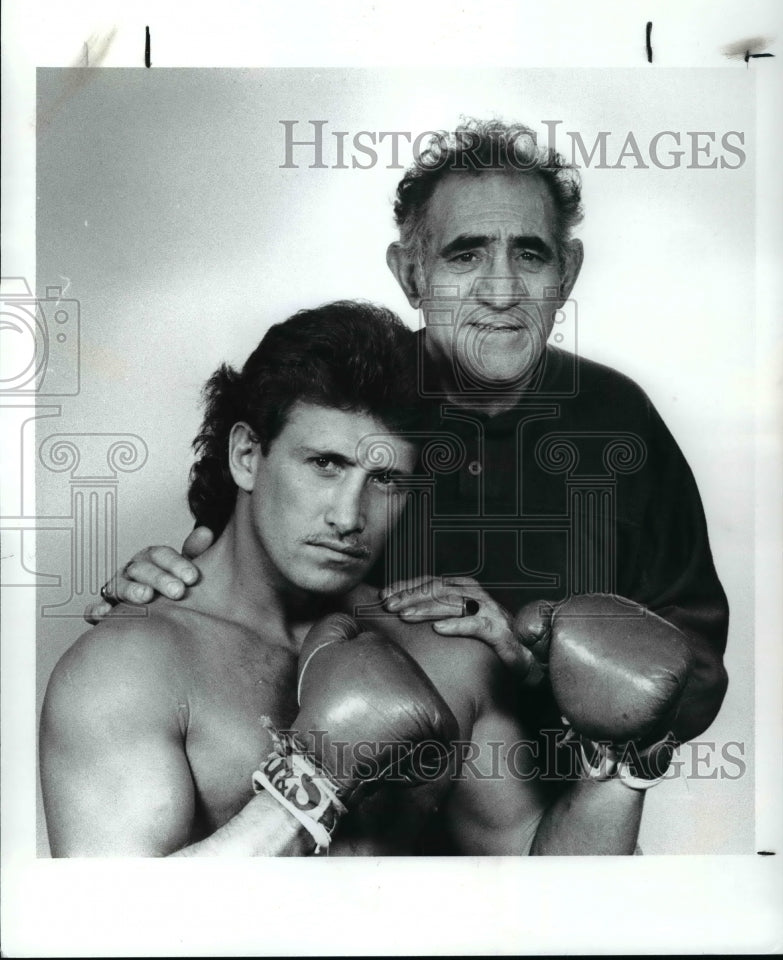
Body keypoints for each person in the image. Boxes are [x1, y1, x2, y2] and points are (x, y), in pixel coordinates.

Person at [87, 119, 729, 746]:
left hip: (549, 819)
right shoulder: (350, 397)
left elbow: (691, 666)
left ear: (567, 273)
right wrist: (158, 590)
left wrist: (541, 665)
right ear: (411, 275)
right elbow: (232, 570)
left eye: (529, 254)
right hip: (349, 812)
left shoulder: (621, 419)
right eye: (465, 254)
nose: (502, 290)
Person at [43, 301, 681, 857]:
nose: (350, 517)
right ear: (246, 455)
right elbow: (113, 929)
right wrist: (308, 786)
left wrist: (620, 765)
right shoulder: (129, 669)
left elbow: (548, 891)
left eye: (385, 480)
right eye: (325, 464)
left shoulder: (445, 649)